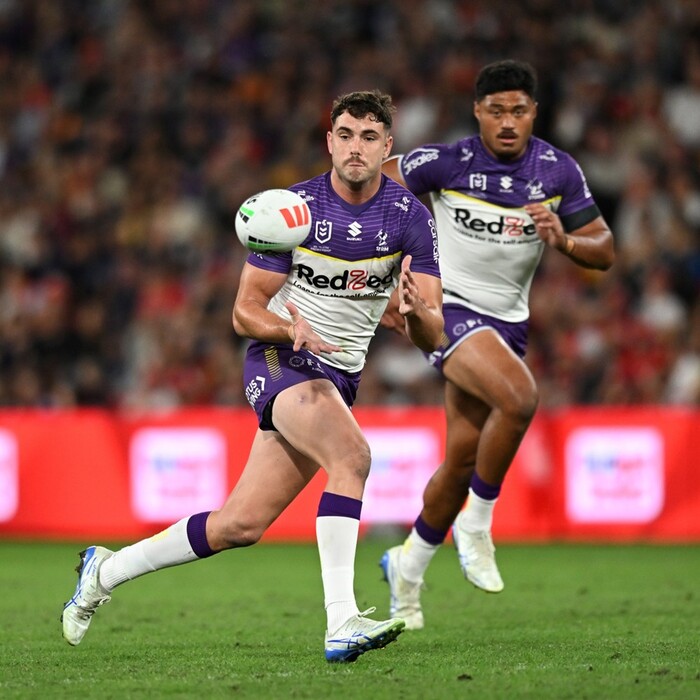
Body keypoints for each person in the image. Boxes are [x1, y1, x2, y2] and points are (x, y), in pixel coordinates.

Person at [61, 90, 444, 663]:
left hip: (338, 378)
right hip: (281, 359)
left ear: (387, 145)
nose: (355, 147)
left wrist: (415, 315)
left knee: (239, 525)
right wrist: (290, 330)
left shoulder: (411, 219)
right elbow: (244, 311)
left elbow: (431, 334)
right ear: (329, 141)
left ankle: (103, 572)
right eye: (345, 134)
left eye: (369, 137)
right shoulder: (294, 209)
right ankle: (342, 621)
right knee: (352, 458)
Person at [379, 59, 615, 630]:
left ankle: (407, 569)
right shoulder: (447, 162)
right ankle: (477, 524)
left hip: (508, 324)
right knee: (520, 397)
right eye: (496, 111)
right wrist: (386, 276)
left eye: (519, 110)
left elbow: (604, 248)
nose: (508, 121)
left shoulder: (557, 171)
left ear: (534, 113)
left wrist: (565, 241)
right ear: (477, 113)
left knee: (462, 459)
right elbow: (374, 187)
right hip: (447, 309)